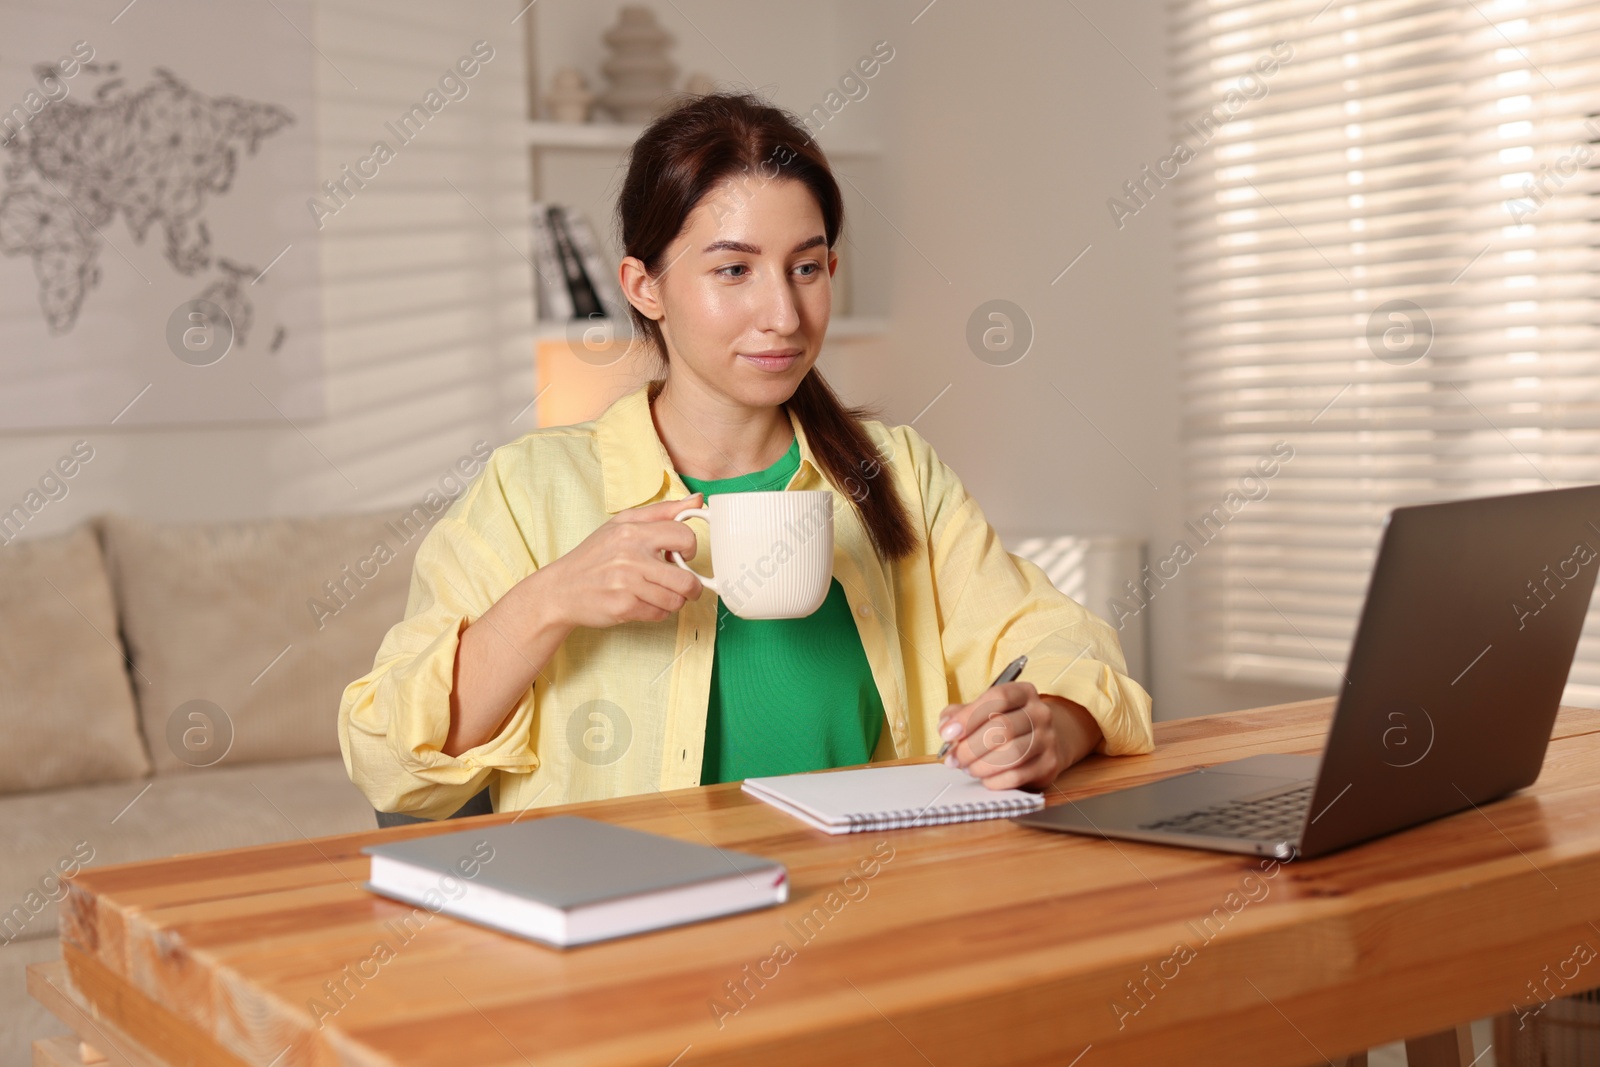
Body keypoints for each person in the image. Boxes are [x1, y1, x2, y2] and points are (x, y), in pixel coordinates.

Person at [338, 91, 1153, 820]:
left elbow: (1068, 650)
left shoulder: (896, 473)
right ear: (643, 285)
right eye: (734, 269)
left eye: (806, 268)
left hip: (871, 916)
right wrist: (550, 599)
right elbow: (387, 761)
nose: (783, 315)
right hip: (628, 935)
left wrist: (1054, 724)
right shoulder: (531, 490)